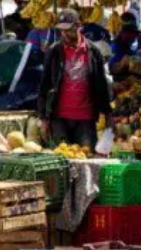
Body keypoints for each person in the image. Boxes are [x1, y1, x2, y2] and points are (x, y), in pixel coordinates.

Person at [38, 9, 112, 148]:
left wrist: (107, 114)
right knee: (63, 162)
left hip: (86, 119)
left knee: (87, 161)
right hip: (59, 118)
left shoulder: (93, 51)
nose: (64, 33)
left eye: (68, 29)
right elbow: (44, 85)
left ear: (78, 26)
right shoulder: (54, 51)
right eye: (61, 30)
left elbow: (101, 85)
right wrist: (44, 119)